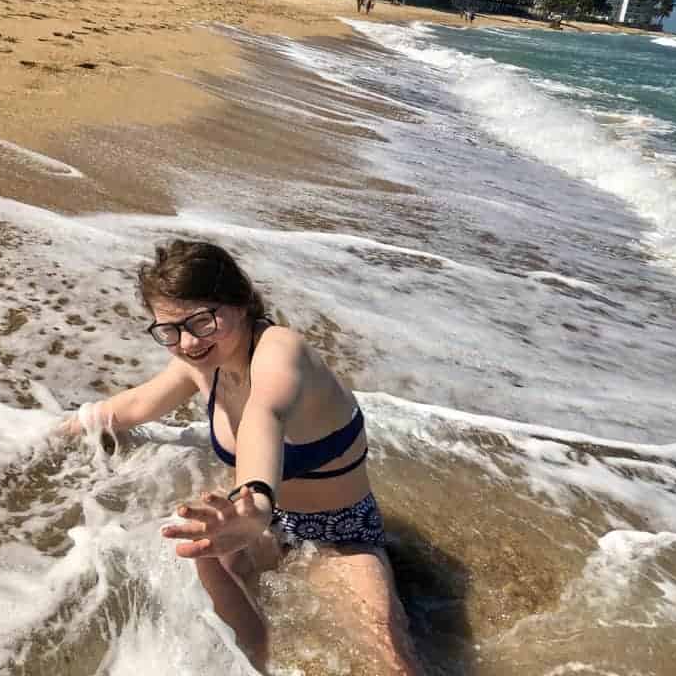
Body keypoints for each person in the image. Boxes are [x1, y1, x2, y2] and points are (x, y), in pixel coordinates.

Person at [61, 240, 423, 674]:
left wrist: (253, 504)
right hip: (261, 526)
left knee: (388, 662)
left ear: (240, 302)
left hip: (338, 536)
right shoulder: (198, 363)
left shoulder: (280, 351)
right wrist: (52, 433)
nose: (189, 341)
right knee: (210, 573)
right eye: (169, 330)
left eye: (203, 320)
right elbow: (135, 406)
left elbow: (262, 417)